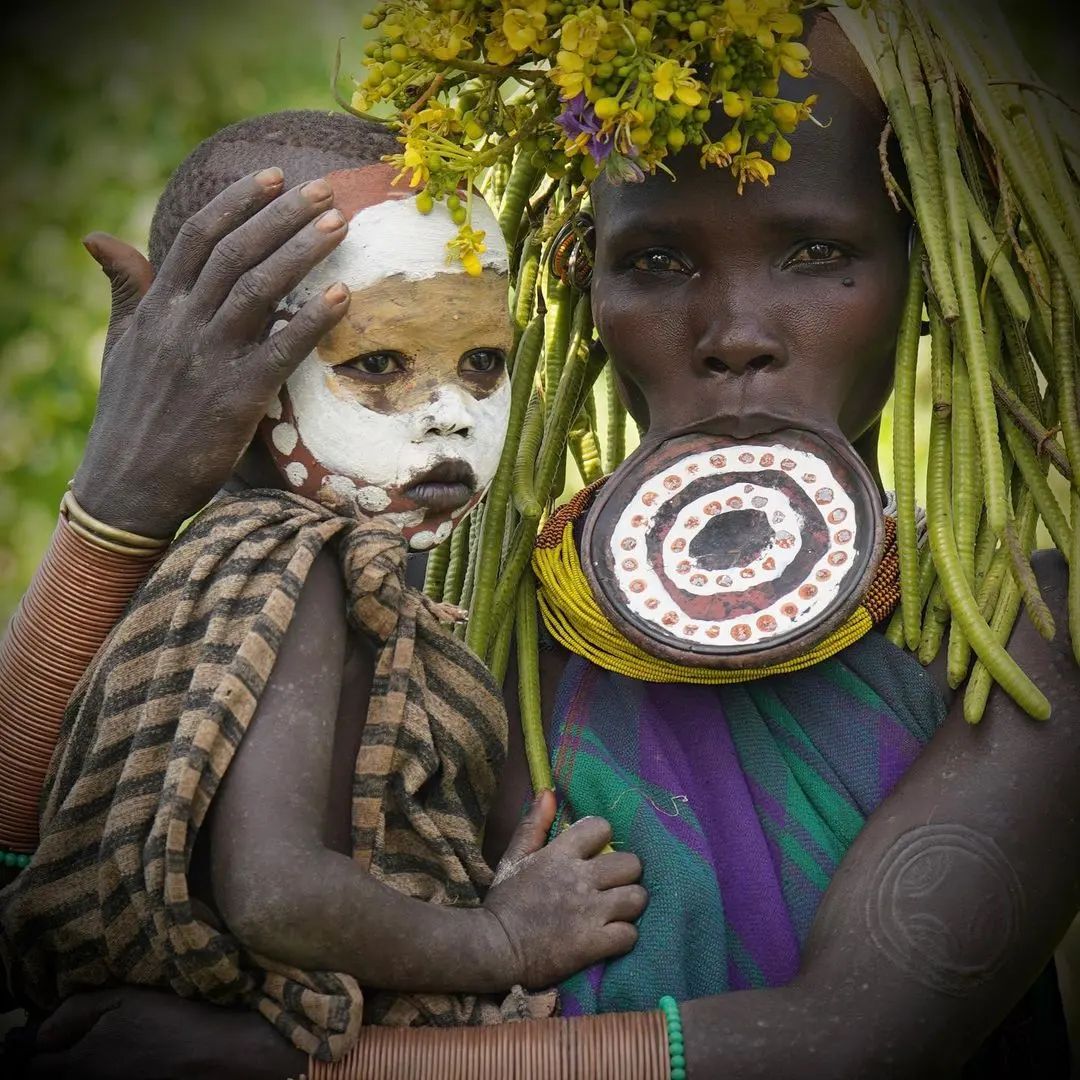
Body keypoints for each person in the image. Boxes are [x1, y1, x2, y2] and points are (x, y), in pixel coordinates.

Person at [3, 13, 1078, 1080]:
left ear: (922, 283)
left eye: (815, 252)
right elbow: (42, 904)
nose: (735, 332)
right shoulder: (450, 620)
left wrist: (303, 1071)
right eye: (656, 261)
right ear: (580, 284)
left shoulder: (1015, 643)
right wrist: (119, 507)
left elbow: (849, 1043)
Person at [0, 124, 647, 1062]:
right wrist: (502, 940)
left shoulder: (269, 567)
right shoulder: (299, 567)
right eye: (377, 365)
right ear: (232, 383)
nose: (449, 412)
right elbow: (275, 896)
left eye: (482, 363)